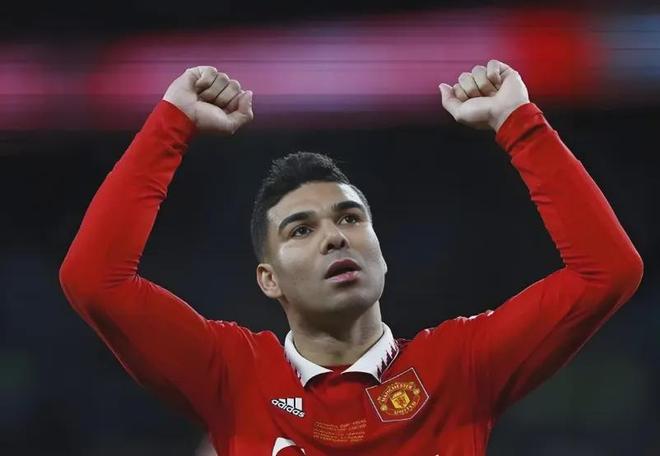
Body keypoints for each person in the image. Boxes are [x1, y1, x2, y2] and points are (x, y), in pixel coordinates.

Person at [59, 60, 643, 455]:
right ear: (268, 279)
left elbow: (607, 271)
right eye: (301, 230)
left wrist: (519, 123)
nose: (335, 238)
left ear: (380, 251)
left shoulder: (459, 366)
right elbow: (94, 280)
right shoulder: (232, 375)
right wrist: (171, 123)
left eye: (349, 218)